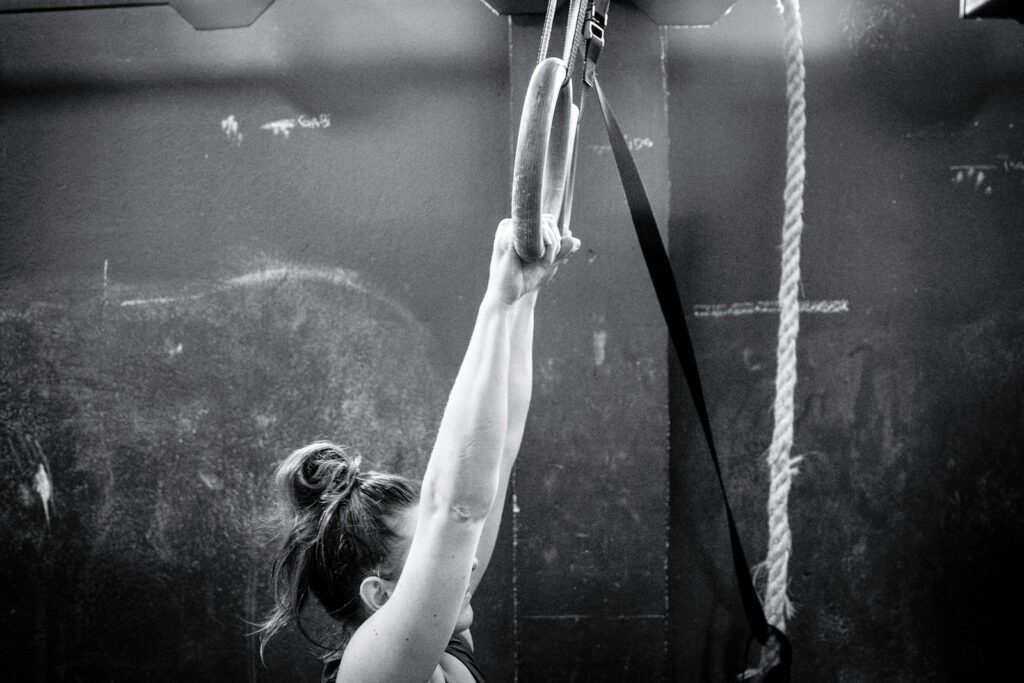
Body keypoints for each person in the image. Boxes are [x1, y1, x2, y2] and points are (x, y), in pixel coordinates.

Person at [258, 215, 581, 683]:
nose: (466, 561)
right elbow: (455, 511)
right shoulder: (371, 670)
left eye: (437, 552)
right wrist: (496, 302)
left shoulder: (445, 638)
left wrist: (524, 296)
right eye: (433, 552)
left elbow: (502, 439)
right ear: (381, 595)